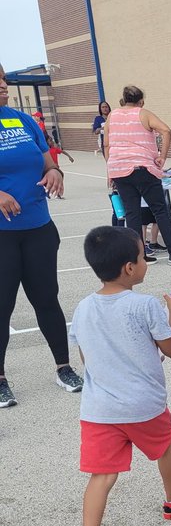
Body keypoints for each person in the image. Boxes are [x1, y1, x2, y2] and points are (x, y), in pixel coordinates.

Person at [69, 226, 171, 526]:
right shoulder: (144, 305)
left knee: (102, 475)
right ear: (129, 267)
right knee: (165, 446)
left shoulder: (82, 308)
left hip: (99, 410)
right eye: (143, 257)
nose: (146, 262)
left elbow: (86, 358)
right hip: (143, 405)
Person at [0, 63, 83, 408]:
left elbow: (47, 159)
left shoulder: (22, 120)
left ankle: (63, 367)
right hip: (3, 235)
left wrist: (55, 172)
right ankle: (1, 379)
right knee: (2, 307)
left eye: (3, 79)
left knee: (47, 299)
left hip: (38, 228)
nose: (2, 86)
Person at [103, 85, 171, 266]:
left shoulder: (112, 116)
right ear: (141, 101)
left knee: (132, 213)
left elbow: (106, 144)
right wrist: (162, 156)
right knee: (160, 210)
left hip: (119, 168)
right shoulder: (143, 113)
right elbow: (165, 130)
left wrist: (110, 168)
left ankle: (139, 256)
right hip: (142, 166)